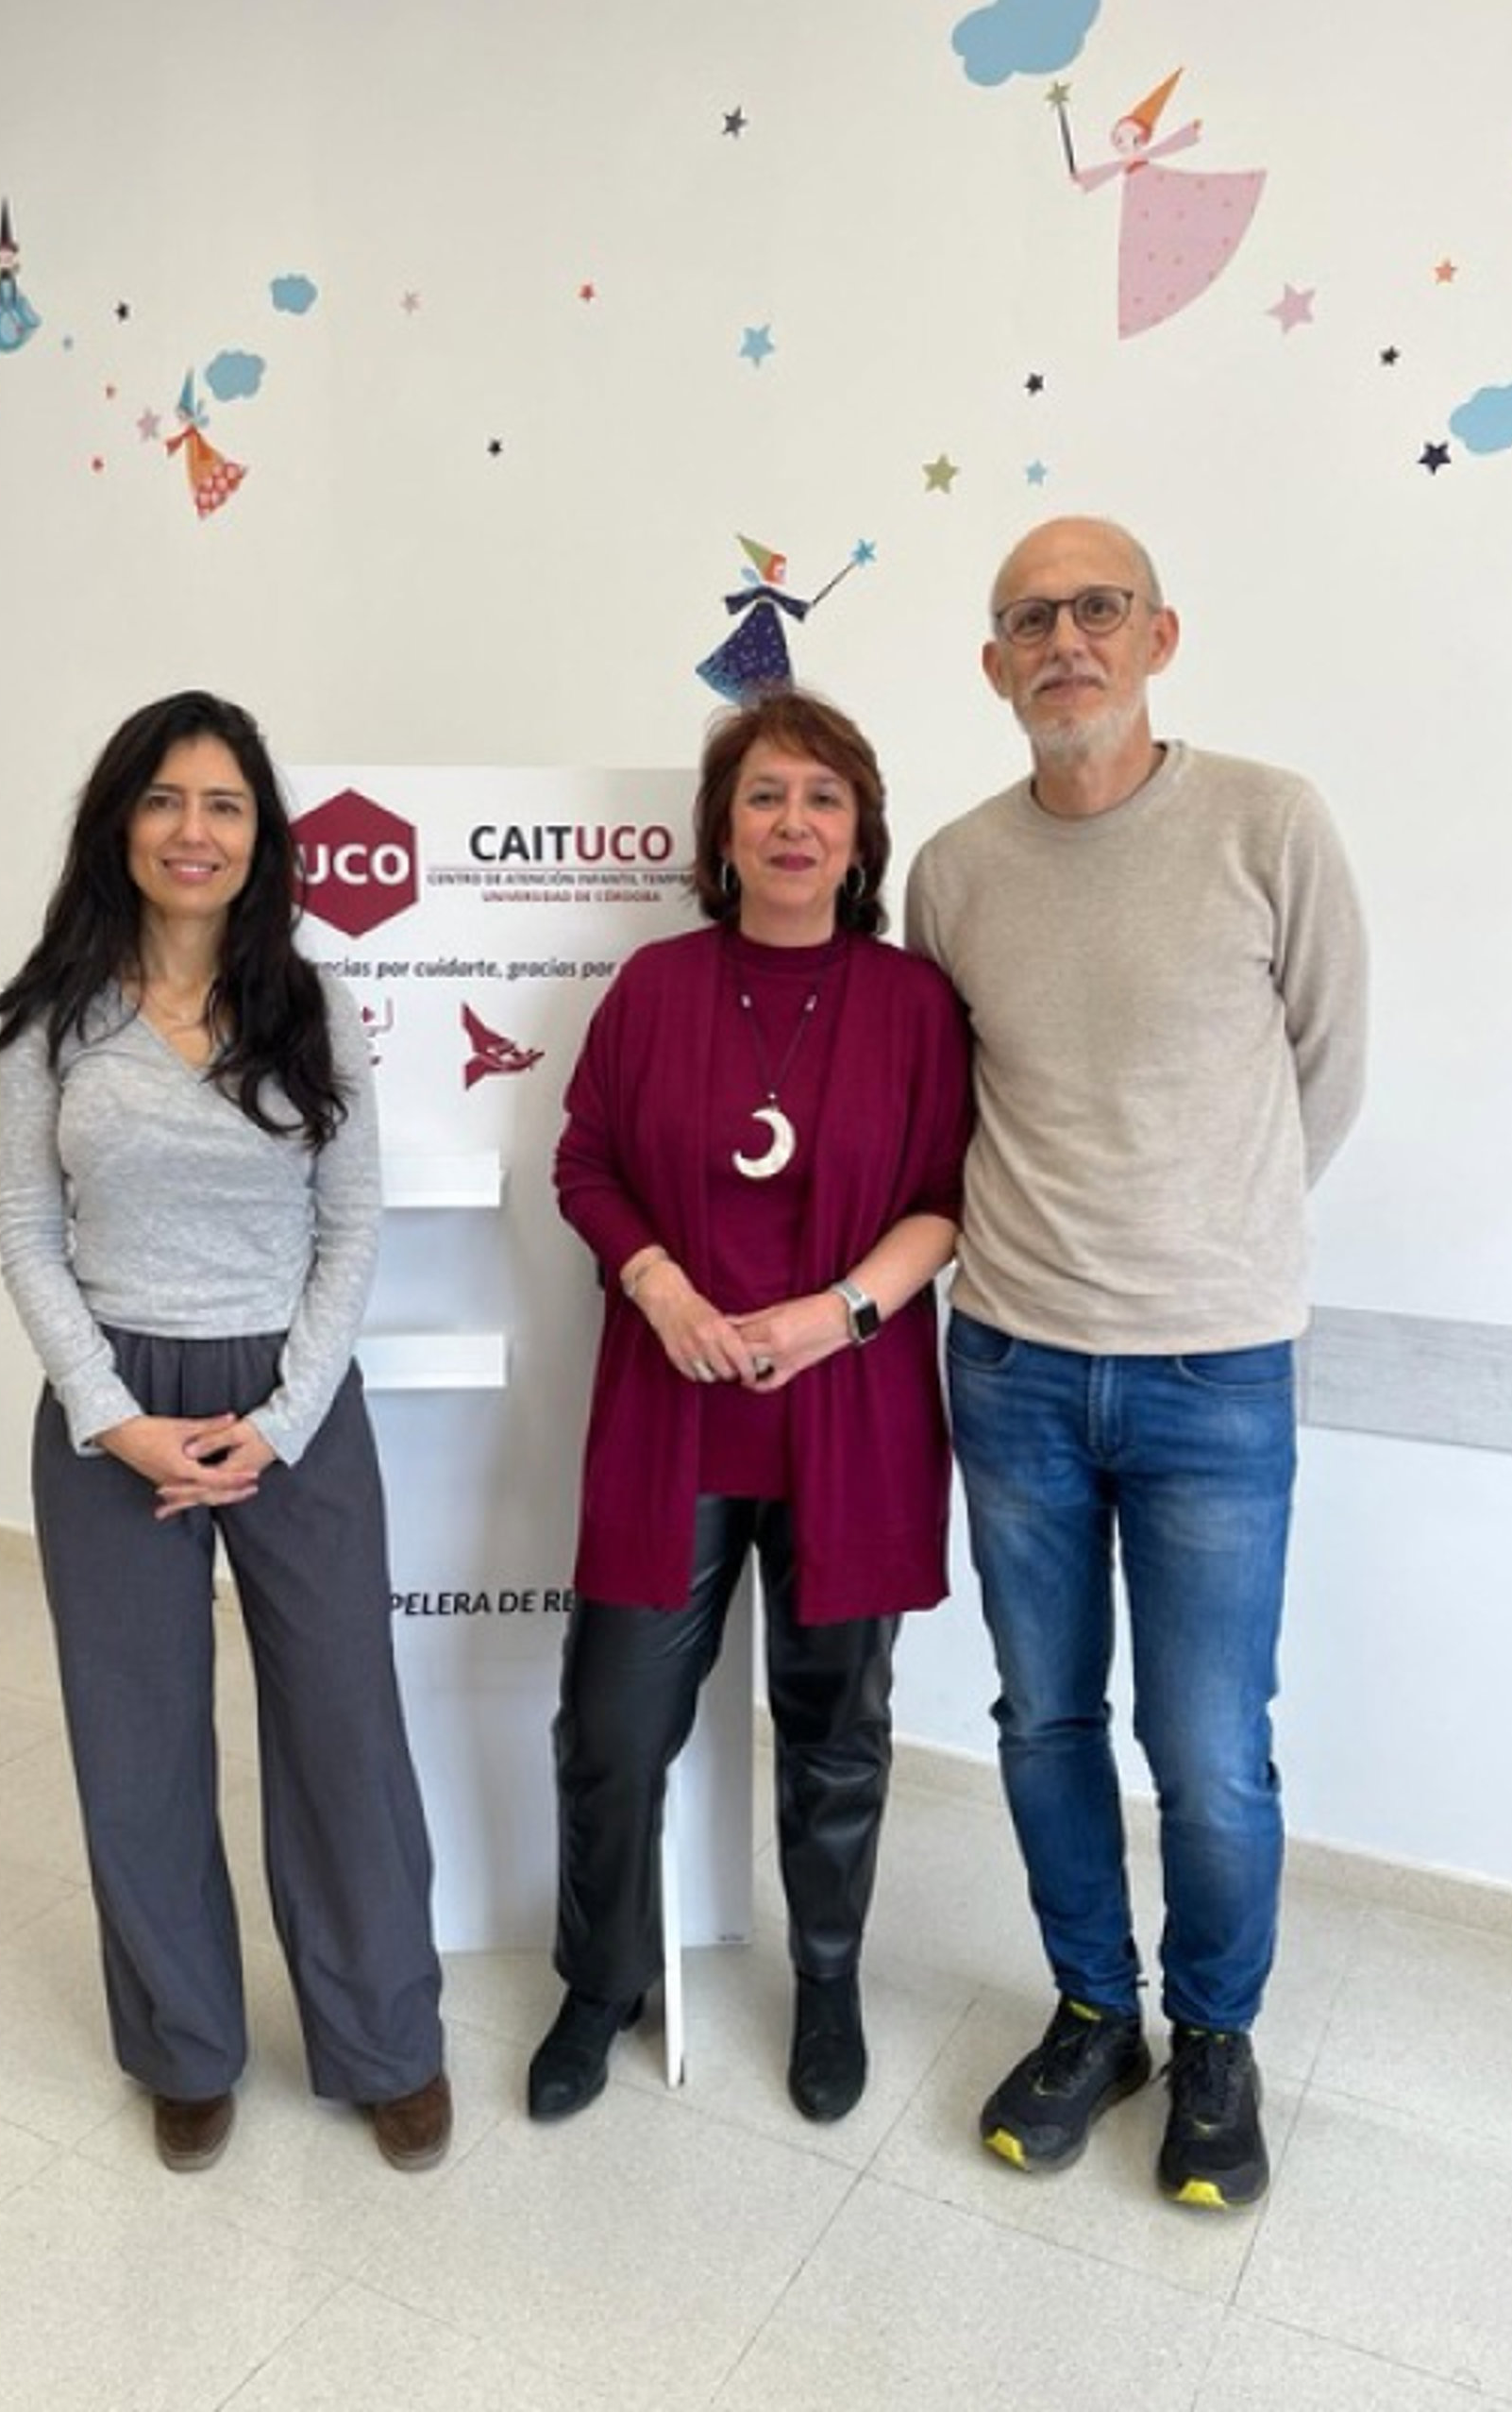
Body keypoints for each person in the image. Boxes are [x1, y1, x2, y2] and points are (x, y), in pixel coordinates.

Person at [905, 517, 1368, 2209]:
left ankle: (1215, 2039)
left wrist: (1211, 1238)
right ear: (993, 665)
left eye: (1098, 609)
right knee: (1043, 1719)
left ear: (1160, 636)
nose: (1066, 642)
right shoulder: (953, 871)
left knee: (1210, 1748)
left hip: (1214, 1373)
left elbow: (1325, 1067)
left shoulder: (1268, 822)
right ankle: (1096, 2010)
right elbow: (945, 1099)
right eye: (1030, 620)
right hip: (1012, 1362)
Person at [0, 690, 447, 2174]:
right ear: (120, 823)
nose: (193, 829)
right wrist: (112, 1418)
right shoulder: (56, 1018)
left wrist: (281, 1420)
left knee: (345, 1731)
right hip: (112, 1403)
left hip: (294, 1402)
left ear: (260, 835)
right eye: (164, 799)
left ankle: (385, 2041)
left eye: (223, 803)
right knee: (139, 1741)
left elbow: (351, 1225)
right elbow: (27, 1230)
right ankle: (184, 2045)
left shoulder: (313, 1005)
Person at [528, 689, 973, 2126]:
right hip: (673, 1420)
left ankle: (827, 1982)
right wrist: (658, 1287)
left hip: (852, 1422)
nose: (794, 823)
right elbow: (586, 1162)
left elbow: (946, 1197)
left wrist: (836, 1314)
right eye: (766, 795)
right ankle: (600, 1982)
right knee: (611, 1726)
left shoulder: (914, 1005)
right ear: (722, 832)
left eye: (823, 798)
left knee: (837, 1732)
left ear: (861, 836)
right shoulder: (656, 987)